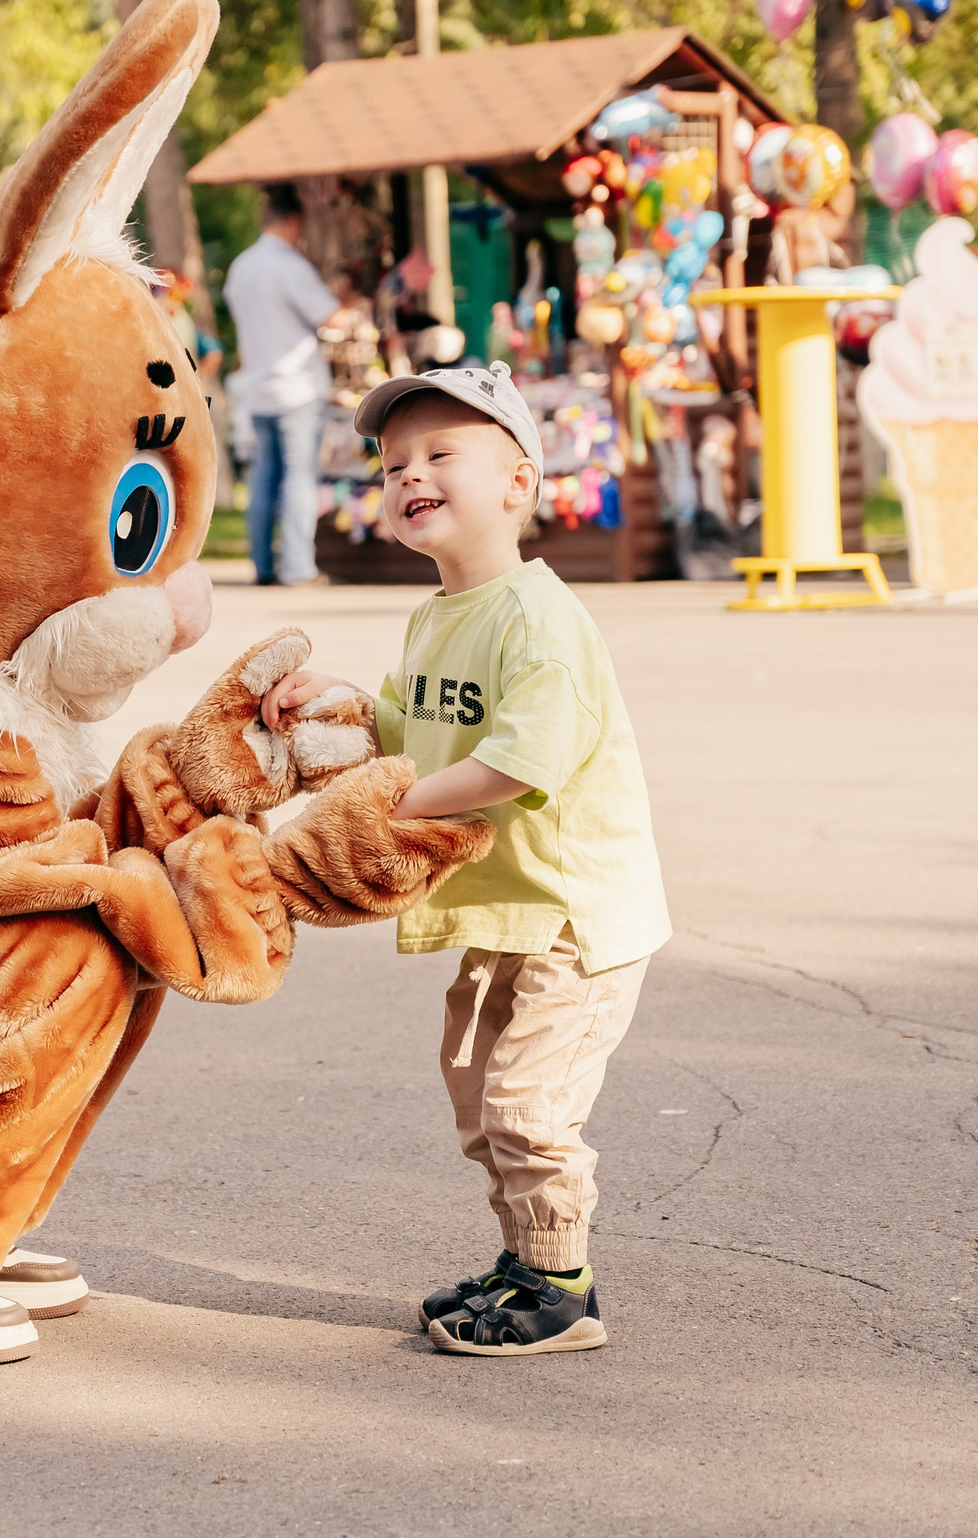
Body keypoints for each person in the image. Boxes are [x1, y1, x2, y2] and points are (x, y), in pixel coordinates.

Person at [260, 360, 671, 1356]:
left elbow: (512, 763)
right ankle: (525, 1257)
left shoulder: (538, 618)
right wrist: (342, 702)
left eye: (441, 453)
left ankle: (562, 1290)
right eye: (394, 462)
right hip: (503, 909)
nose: (410, 475)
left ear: (518, 482)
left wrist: (386, 806)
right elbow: (411, 731)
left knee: (527, 1101)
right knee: (478, 1093)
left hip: (575, 914)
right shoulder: (440, 613)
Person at [223, 183, 341, 585]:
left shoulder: (242, 266)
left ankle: (263, 565)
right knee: (298, 478)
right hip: (297, 387)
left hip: (258, 388)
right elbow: (331, 318)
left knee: (262, 479)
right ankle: (298, 568)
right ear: (294, 222)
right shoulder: (289, 266)